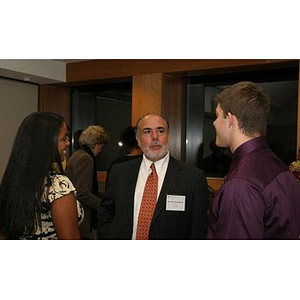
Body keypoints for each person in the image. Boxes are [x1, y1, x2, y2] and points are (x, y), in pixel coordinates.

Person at [207, 81, 300, 239]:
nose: (214, 123)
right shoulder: (279, 166)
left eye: (217, 116)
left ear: (230, 120)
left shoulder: (241, 184)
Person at [99, 113, 209, 239]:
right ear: (138, 138)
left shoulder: (193, 177)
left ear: (168, 136)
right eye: (147, 132)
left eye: (160, 131)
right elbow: (106, 214)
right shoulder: (120, 172)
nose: (155, 137)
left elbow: (199, 230)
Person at [0, 112, 83, 240]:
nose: (68, 143)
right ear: (46, 143)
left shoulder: (13, 179)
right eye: (64, 138)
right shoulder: (58, 186)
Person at [66, 125, 109, 239]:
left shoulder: (77, 154)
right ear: (96, 144)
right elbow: (82, 192)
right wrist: (103, 205)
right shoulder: (86, 158)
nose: (101, 150)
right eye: (101, 146)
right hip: (83, 215)